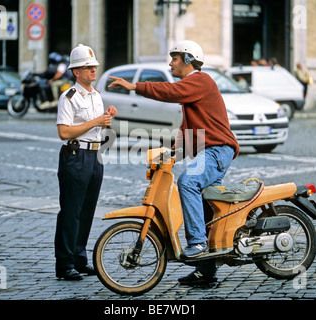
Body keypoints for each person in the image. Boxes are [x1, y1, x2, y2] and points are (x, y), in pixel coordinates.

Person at [108, 40, 240, 285]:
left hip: (217, 150)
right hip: (210, 151)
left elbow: (168, 92)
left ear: (188, 59)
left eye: (174, 58)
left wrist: (134, 86)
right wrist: (171, 152)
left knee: (188, 182)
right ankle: (206, 271)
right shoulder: (193, 88)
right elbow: (186, 129)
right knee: (207, 208)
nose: (171, 63)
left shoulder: (200, 80)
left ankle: (198, 244)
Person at [54, 44, 118, 280]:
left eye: (94, 66)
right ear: (76, 72)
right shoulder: (68, 97)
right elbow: (64, 132)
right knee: (71, 211)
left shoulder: (97, 96)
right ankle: (64, 263)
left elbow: (98, 126)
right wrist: (95, 122)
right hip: (75, 155)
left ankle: (79, 258)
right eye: (87, 67)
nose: (93, 70)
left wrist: (107, 116)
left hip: (94, 155)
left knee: (87, 211)